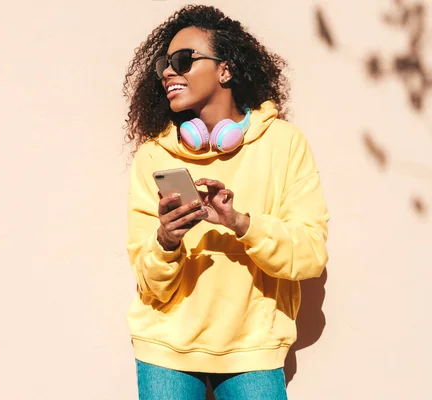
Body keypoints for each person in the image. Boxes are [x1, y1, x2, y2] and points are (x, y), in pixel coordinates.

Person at [122, 5, 329, 400]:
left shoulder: (284, 144)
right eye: (163, 64)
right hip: (166, 349)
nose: (168, 72)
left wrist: (240, 223)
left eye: (183, 60)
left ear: (225, 70)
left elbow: (311, 253)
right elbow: (150, 284)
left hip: (253, 350)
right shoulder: (153, 157)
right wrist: (167, 240)